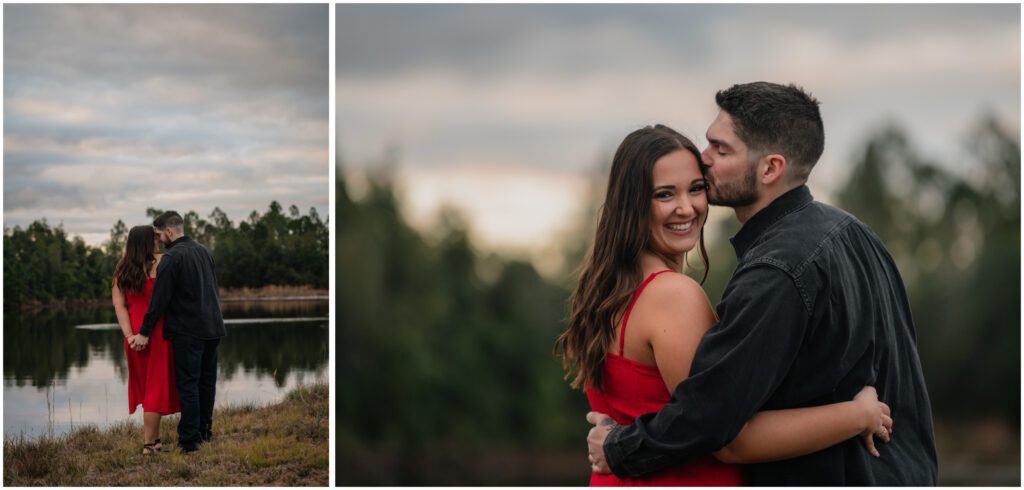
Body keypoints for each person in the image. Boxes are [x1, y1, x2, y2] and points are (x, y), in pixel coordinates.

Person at [586, 83, 938, 485]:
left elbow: (713, 424)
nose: (703, 160)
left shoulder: (776, 270)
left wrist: (620, 448)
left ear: (769, 168)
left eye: (720, 150)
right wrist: (857, 415)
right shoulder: (858, 235)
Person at [132, 210, 226, 454]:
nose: (159, 239)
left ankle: (189, 442)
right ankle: (205, 434)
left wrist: (143, 332)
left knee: (189, 386)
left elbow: (159, 301)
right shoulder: (205, 251)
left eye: (159, 234)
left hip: (188, 331)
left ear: (170, 232)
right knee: (207, 384)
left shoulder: (172, 258)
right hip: (213, 328)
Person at [112, 225, 180, 454]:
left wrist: (129, 335)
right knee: (156, 387)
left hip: (134, 334)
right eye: (154, 238)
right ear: (146, 242)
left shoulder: (122, 268)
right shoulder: (161, 262)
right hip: (157, 331)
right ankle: (149, 444)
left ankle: (156, 440)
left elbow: (119, 305)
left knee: (149, 386)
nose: (158, 240)